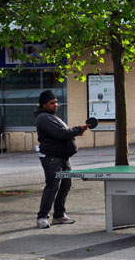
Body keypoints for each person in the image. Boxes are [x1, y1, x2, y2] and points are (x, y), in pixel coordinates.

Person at [35, 90, 88, 229]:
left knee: (65, 185)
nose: (55, 105)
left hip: (63, 158)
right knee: (52, 186)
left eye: (56, 102)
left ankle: (59, 215)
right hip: (52, 158)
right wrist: (78, 129)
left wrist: (75, 132)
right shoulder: (43, 118)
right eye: (52, 103)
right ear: (44, 104)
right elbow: (60, 133)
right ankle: (42, 217)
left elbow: (64, 133)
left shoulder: (52, 117)